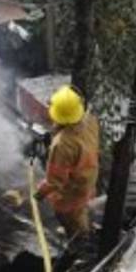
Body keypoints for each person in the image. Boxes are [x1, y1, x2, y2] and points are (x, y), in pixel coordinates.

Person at [34, 85, 100, 239]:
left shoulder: (62, 144)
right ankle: (82, 227)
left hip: (71, 196)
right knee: (85, 210)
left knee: (75, 222)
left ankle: (78, 241)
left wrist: (38, 194)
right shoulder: (90, 121)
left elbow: (55, 182)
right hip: (88, 180)